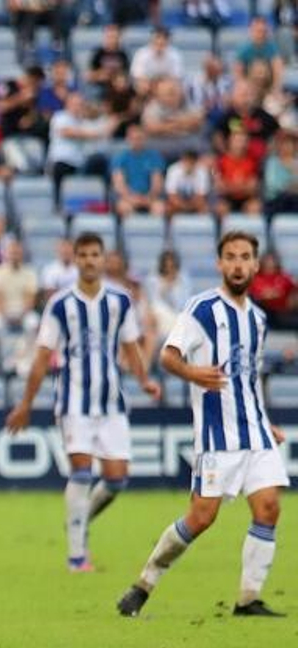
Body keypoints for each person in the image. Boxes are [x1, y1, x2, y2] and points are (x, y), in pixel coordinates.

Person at [118, 231, 287, 618]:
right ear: (220, 264)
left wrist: (265, 420)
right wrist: (194, 373)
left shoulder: (258, 319)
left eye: (245, 257)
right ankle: (144, 583)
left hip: (255, 432)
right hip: (217, 436)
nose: (238, 264)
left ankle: (248, 598)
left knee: (268, 508)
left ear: (256, 265)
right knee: (201, 517)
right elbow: (168, 357)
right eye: (230, 257)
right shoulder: (202, 309)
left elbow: (248, 377)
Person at [6, 232, 161, 572]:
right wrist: (25, 404)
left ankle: (78, 519)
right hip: (74, 402)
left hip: (111, 403)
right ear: (75, 260)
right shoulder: (60, 304)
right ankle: (77, 557)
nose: (90, 260)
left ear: (103, 259)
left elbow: (131, 346)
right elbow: (43, 356)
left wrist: (145, 380)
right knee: (81, 472)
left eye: (95, 254)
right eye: (84, 255)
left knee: (117, 479)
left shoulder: (120, 301)